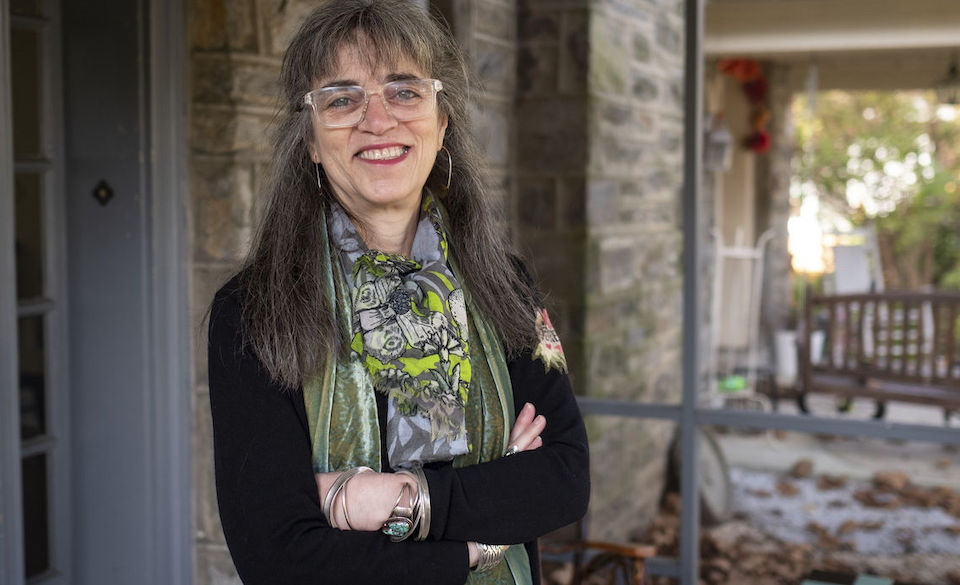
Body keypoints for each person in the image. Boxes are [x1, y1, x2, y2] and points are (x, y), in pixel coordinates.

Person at [206, 1, 589, 583]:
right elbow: (278, 557)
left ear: (441, 124)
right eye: (341, 98)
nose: (377, 119)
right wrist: (473, 544)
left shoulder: (505, 286)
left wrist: (388, 498)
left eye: (404, 91)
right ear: (310, 139)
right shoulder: (254, 311)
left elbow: (562, 481)